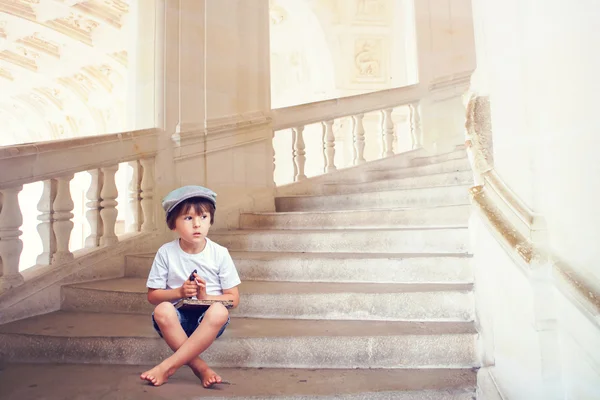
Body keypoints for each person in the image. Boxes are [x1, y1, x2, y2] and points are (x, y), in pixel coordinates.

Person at [140, 185, 241, 387]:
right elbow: (152, 296)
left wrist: (205, 297)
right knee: (162, 310)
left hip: (208, 322)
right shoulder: (166, 253)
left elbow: (234, 299)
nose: (197, 224)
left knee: (219, 311)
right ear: (173, 225)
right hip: (176, 321)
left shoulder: (219, 253)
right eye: (188, 218)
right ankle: (201, 368)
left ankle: (167, 367)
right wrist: (179, 292)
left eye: (203, 217)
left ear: (210, 220)